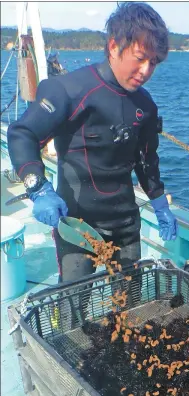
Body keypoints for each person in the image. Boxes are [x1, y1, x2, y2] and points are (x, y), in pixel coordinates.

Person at [7, 2, 178, 286]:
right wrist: (38, 187)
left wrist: (159, 202)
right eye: (140, 58)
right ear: (113, 46)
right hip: (77, 226)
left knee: (129, 304)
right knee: (74, 306)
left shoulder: (145, 106)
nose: (146, 70)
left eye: (154, 62)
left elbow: (147, 160)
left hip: (125, 224)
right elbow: (22, 134)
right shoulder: (68, 90)